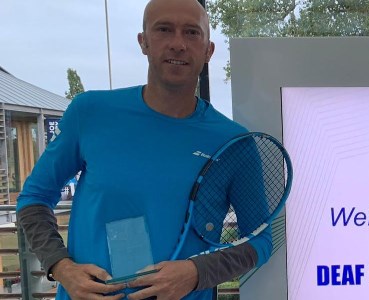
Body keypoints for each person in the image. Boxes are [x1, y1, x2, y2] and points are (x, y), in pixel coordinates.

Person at [15, 0, 273, 299]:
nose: (178, 44)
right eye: (164, 29)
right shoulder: (90, 113)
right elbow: (33, 199)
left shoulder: (234, 143)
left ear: (208, 50)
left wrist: (195, 273)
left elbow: (260, 241)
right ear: (144, 42)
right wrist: (62, 268)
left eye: (191, 33)